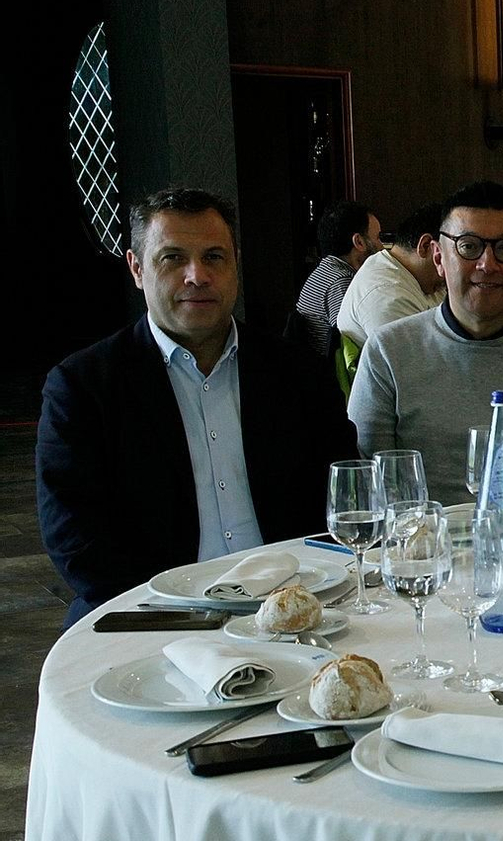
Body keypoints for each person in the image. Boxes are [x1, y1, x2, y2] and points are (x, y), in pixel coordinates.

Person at [37, 187, 358, 626]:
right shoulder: (83, 385)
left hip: (298, 609)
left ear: (235, 266)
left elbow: (342, 497)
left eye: (214, 257)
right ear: (136, 269)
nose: (197, 275)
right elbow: (74, 538)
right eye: (172, 258)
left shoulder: (297, 372)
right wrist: (181, 616)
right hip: (153, 616)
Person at [347, 181, 503, 506]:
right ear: (439, 258)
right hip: (425, 549)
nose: (487, 264)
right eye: (469, 247)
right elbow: (367, 491)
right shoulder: (388, 352)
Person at [336, 201, 445, 349]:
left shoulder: (417, 276)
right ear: (425, 246)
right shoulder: (386, 294)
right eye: (452, 257)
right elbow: (421, 366)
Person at [295, 200, 381, 355]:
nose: (382, 246)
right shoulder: (340, 282)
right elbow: (353, 340)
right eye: (378, 237)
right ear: (359, 242)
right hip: (328, 373)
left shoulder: (326, 269)